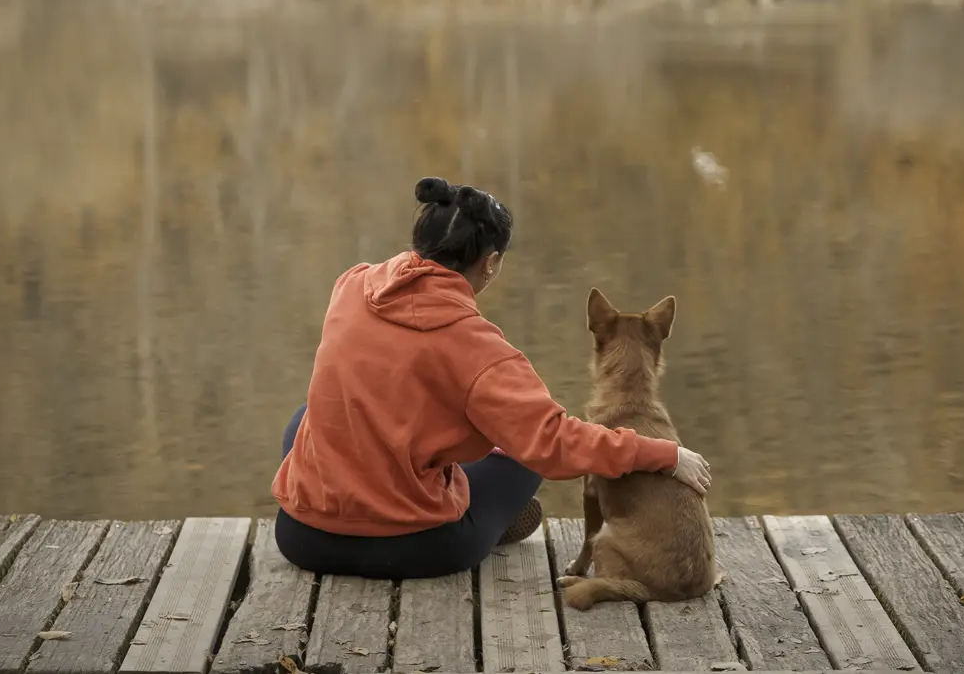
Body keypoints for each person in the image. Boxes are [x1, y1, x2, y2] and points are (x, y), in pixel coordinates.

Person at [272, 176, 713, 579]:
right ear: (490, 263)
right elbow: (556, 445)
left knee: (307, 418)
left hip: (301, 534)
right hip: (411, 549)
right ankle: (484, 515)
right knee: (523, 459)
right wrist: (662, 454)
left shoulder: (352, 284)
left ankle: (435, 475)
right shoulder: (480, 349)